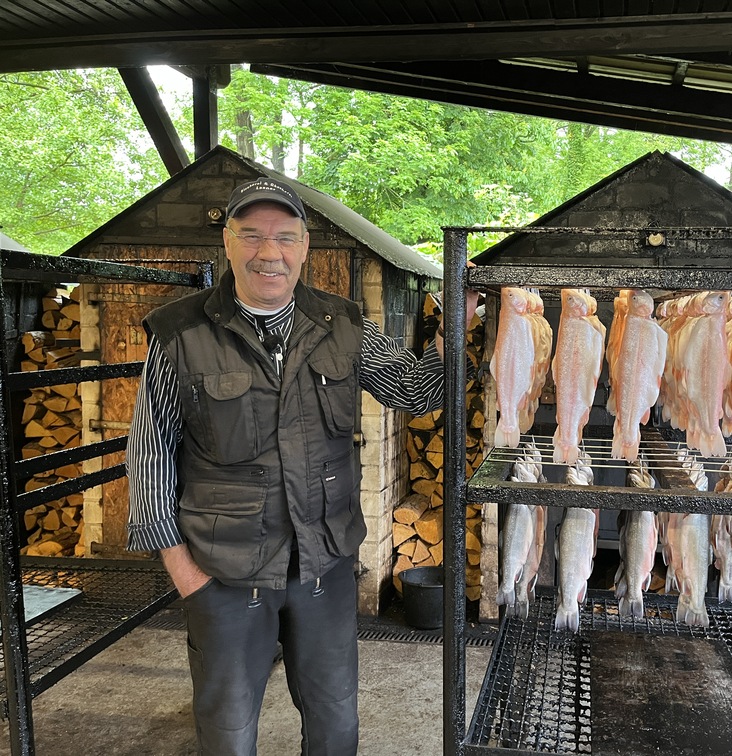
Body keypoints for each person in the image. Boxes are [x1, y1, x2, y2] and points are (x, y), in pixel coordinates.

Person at [125, 176, 477, 755]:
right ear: (229, 243)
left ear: (305, 246)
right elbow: (151, 450)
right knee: (228, 726)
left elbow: (415, 392)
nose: (270, 252)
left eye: (285, 237)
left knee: (334, 715)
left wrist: (451, 332)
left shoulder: (343, 325)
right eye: (253, 236)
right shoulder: (180, 333)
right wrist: (186, 573)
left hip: (324, 565)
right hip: (224, 569)